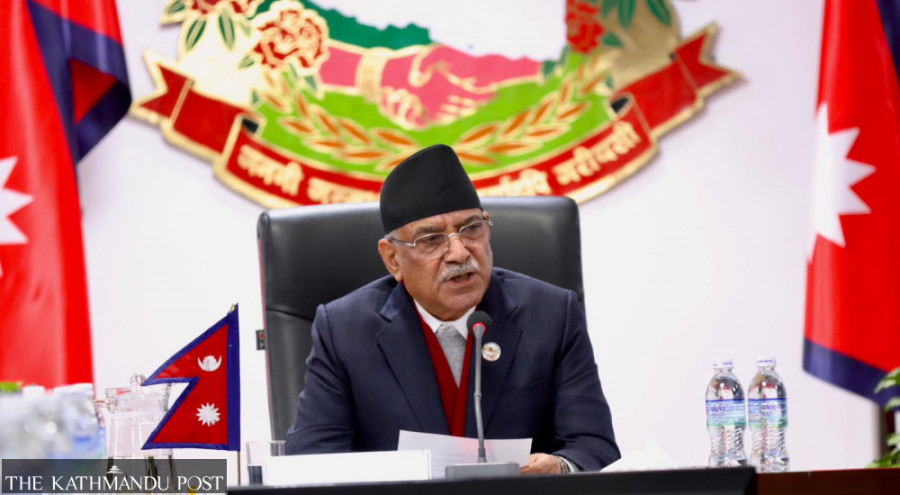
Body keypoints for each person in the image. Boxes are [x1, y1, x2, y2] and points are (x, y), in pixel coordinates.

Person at [285, 144, 620, 473]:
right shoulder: (343, 330)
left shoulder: (551, 314)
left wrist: (561, 467)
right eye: (431, 239)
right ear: (393, 259)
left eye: (471, 229)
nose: (459, 253)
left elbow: (595, 447)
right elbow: (311, 461)